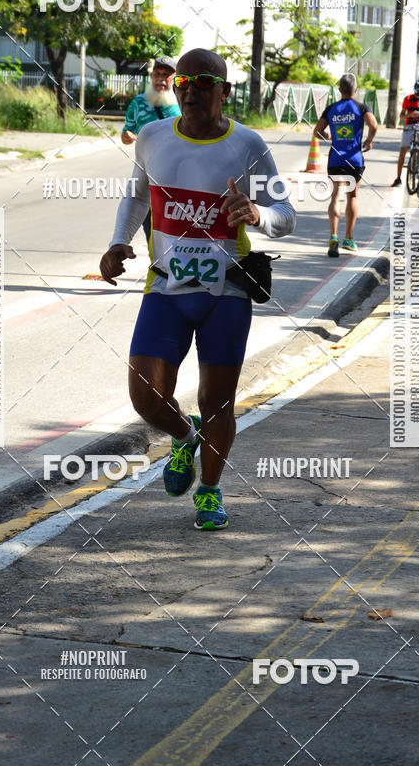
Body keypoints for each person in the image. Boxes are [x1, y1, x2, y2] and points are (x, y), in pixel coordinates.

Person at [100, 48, 295, 530]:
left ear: (224, 91)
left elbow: (286, 217)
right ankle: (184, 438)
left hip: (225, 293)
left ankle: (209, 490)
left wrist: (256, 214)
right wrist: (118, 241)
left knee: (218, 402)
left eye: (202, 82)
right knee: (145, 396)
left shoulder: (248, 145)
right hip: (165, 287)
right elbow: (137, 195)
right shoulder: (152, 136)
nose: (189, 89)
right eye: (183, 81)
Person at [313, 73, 377, 257]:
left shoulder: (331, 108)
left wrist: (329, 136)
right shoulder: (361, 107)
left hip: (335, 159)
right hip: (354, 159)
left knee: (335, 196)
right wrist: (368, 141)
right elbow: (374, 125)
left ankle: (333, 236)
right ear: (355, 90)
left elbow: (317, 131)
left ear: (339, 90)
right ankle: (348, 238)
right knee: (353, 197)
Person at [121, 56, 181, 242]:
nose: (160, 79)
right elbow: (126, 133)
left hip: (179, 178)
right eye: (157, 74)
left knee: (176, 228)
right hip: (148, 177)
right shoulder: (138, 103)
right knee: (152, 231)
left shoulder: (183, 103)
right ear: (152, 76)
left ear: (174, 77)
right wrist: (127, 137)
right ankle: (157, 265)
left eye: (166, 74)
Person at [392, 79, 419, 187]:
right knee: (403, 151)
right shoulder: (408, 99)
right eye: (417, 94)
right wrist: (409, 115)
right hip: (409, 126)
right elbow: (401, 116)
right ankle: (398, 178)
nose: (418, 97)